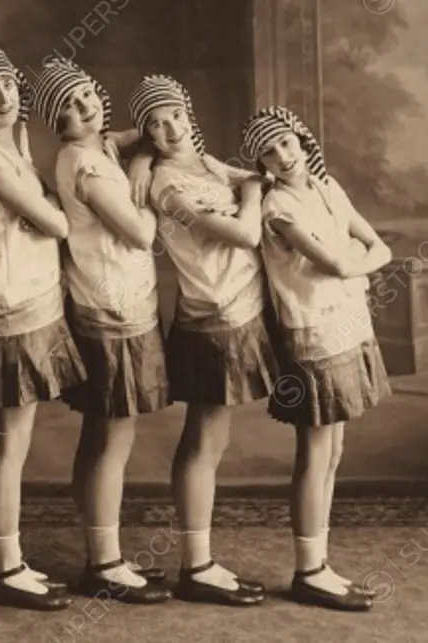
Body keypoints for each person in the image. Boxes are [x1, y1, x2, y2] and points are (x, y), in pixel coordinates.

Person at [127, 74, 273, 606]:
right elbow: (245, 233)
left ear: (190, 117)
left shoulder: (207, 165)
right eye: (154, 125)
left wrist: (251, 184)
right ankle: (197, 566)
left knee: (215, 440)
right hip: (212, 316)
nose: (169, 130)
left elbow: (256, 175)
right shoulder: (167, 185)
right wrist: (252, 192)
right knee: (203, 440)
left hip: (237, 310)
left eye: (175, 118)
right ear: (145, 134)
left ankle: (201, 560)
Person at [33, 57, 171, 604]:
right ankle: (105, 564)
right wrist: (154, 190)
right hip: (112, 311)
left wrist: (139, 154)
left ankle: (100, 551)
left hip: (113, 304)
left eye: (85, 96)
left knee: (102, 434)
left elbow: (146, 127)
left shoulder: (99, 146)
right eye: (67, 108)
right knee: (113, 437)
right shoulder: (84, 164)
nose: (82, 109)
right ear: (57, 125)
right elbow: (139, 233)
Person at [242, 106, 390, 611]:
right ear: (261, 162)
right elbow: (332, 261)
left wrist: (356, 263)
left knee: (336, 450)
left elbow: (379, 249)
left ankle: (320, 564)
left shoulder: (328, 189)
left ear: (302, 140)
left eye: (286, 142)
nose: (282, 156)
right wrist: (355, 263)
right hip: (311, 334)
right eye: (269, 150)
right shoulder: (276, 209)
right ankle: (307, 570)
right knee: (316, 450)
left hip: (348, 324)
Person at [0, 45, 83, 611]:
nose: (3, 96)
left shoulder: (10, 147)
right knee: (9, 443)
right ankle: (5, 566)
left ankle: (13, 559)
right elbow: (57, 222)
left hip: (22, 302)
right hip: (9, 310)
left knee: (15, 440)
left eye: (7, 85)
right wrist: (51, 202)